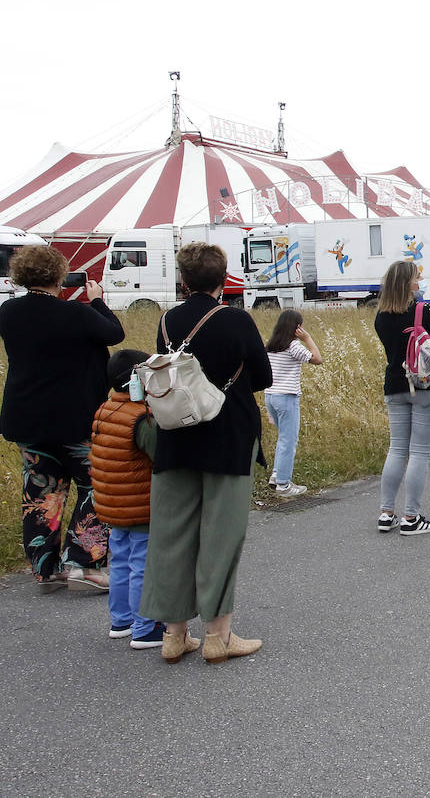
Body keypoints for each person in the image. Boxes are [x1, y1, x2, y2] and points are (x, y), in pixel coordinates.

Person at [141, 242, 272, 664]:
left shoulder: (166, 320)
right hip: (227, 435)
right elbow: (262, 375)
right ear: (223, 278)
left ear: (183, 279)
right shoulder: (236, 319)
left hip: (175, 434)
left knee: (171, 533)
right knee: (221, 533)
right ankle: (218, 635)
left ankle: (173, 635)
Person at [0, 244, 124, 591]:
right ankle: (83, 561)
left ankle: (45, 569)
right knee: (95, 485)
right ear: (59, 276)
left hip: (27, 417)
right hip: (74, 417)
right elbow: (114, 333)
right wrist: (97, 300)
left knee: (42, 492)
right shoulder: (76, 314)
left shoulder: (8, 312)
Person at [373, 260, 430, 536]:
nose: (419, 280)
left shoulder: (381, 316)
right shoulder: (423, 310)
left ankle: (387, 513)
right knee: (419, 452)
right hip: (426, 385)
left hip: (395, 384)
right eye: (415, 277)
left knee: (397, 448)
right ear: (407, 282)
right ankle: (411, 517)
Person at [90, 349, 162, 648]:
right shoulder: (140, 418)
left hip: (111, 503)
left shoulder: (105, 409)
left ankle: (121, 620)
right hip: (139, 503)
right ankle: (145, 627)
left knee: (120, 560)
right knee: (142, 564)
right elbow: (160, 455)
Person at [263, 309, 322, 497]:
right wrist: (308, 338)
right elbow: (317, 359)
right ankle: (283, 484)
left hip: (270, 395)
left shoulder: (271, 346)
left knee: (282, 438)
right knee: (289, 441)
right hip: (287, 396)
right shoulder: (293, 346)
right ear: (297, 327)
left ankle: (276, 474)